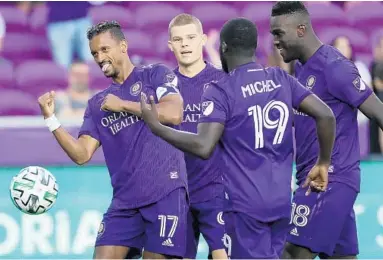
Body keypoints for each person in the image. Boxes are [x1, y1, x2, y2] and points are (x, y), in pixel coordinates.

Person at [139, 17, 336, 259]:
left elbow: (203, 146)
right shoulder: (280, 79)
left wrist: (157, 128)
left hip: (243, 207)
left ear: (222, 48)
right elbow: (326, 115)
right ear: (254, 47)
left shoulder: (222, 89)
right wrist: (323, 163)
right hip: (281, 203)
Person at [37, 21, 188, 259]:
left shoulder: (155, 75)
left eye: (105, 49)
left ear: (123, 46)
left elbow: (174, 112)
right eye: (95, 53)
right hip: (124, 205)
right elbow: (81, 154)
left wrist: (124, 106)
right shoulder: (97, 104)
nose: (99, 57)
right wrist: (51, 119)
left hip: (164, 195)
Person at [270, 2, 383, 258]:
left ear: (300, 29)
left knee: (292, 254)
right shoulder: (300, 68)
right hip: (314, 179)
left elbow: (378, 112)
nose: (275, 41)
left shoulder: (335, 67)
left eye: (279, 33)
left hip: (330, 181)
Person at [167, 13, 228, 259]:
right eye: (178, 39)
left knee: (222, 255)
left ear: (202, 40)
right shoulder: (164, 86)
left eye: (191, 37)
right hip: (176, 192)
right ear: (170, 45)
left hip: (217, 189)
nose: (185, 44)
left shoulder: (223, 82)